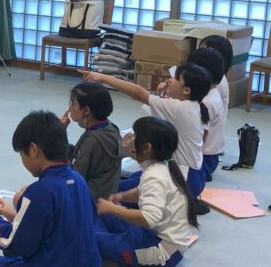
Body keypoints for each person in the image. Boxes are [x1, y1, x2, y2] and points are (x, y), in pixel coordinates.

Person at [0, 111, 101, 267]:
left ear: (34, 150)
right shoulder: (78, 180)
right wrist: (12, 214)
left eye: (22, 154)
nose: (22, 160)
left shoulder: (40, 191)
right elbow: (58, 227)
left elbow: (13, 245)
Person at [81, 63, 211, 200]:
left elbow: (138, 94)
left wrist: (103, 78)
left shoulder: (180, 108)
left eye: (176, 78)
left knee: (110, 192)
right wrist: (163, 92)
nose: (169, 80)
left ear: (186, 90)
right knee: (132, 177)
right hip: (194, 175)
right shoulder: (194, 106)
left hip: (183, 180)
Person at [95, 116, 198, 267]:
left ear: (146, 148)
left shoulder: (155, 175)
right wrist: (122, 197)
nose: (129, 136)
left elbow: (149, 219)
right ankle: (113, 250)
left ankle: (120, 257)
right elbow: (142, 191)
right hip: (151, 234)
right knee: (100, 216)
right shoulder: (159, 166)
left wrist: (113, 208)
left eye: (134, 134)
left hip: (162, 250)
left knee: (88, 237)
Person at [61, 81, 121, 202]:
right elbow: (77, 154)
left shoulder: (93, 141)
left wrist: (58, 134)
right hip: (105, 194)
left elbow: (72, 179)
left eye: (73, 104)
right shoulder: (110, 128)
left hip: (90, 203)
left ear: (87, 110)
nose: (70, 108)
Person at [186, 46, 228, 183]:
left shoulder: (207, 102)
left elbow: (199, 138)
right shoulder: (210, 94)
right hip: (206, 157)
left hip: (204, 158)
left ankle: (200, 173)